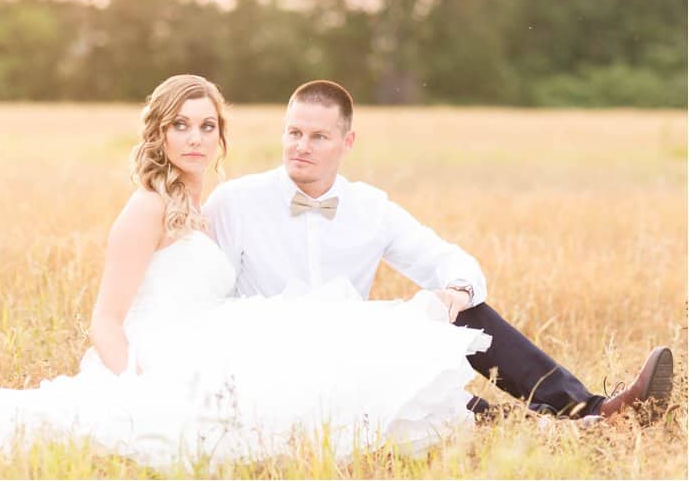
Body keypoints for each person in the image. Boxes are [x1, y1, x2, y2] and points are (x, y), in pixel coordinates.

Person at [0, 74, 492, 471]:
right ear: (159, 134)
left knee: (326, 351)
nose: (195, 138)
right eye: (181, 125)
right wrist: (137, 390)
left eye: (207, 126)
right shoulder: (147, 207)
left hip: (213, 336)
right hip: (159, 355)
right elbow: (105, 321)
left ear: (220, 136)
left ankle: (492, 408)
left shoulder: (207, 206)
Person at [203, 79, 674, 424]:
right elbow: (204, 304)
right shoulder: (234, 202)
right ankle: (545, 427)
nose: (300, 147)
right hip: (270, 360)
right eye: (293, 133)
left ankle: (585, 409)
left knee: (462, 312)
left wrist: (453, 294)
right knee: (422, 403)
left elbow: (449, 260)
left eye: (318, 136)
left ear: (347, 142)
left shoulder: (370, 207)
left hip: (351, 352)